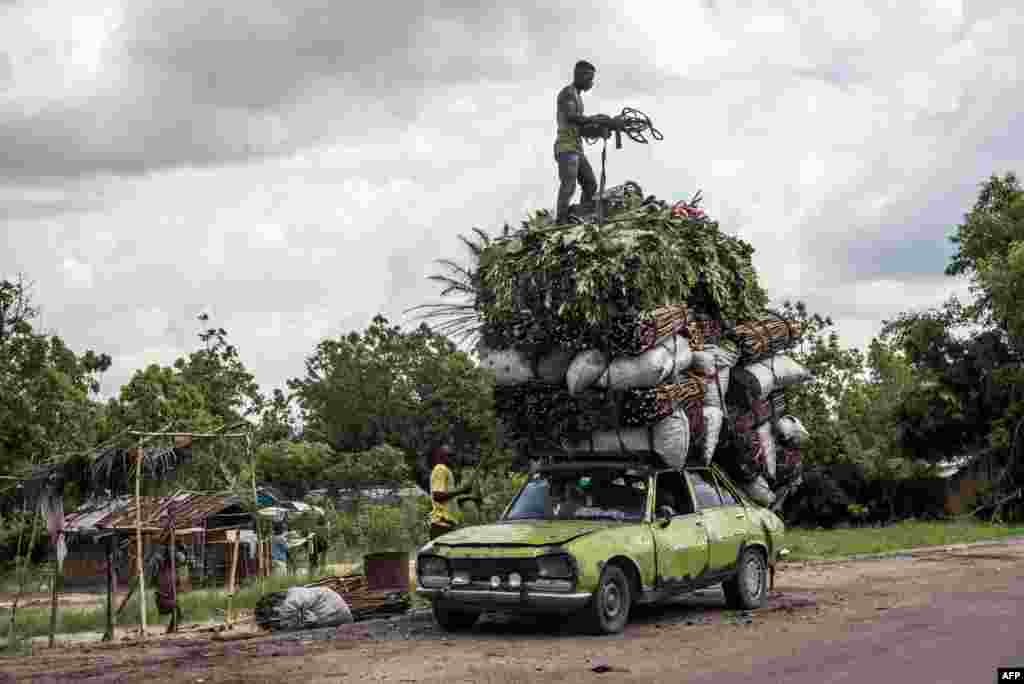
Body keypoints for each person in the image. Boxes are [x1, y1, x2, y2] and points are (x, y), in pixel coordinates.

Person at [554, 60, 600, 225]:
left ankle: (581, 215)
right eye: (589, 78)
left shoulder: (578, 97)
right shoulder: (568, 93)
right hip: (566, 147)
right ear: (579, 75)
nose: (591, 83)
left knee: (590, 184)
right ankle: (561, 220)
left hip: (576, 147)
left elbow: (579, 126)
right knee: (569, 184)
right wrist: (594, 119)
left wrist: (599, 130)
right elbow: (572, 117)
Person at [428, 445, 479, 540]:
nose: (452, 458)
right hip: (441, 526)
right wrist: (461, 491)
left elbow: (449, 498)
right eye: (449, 455)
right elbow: (437, 496)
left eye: (452, 455)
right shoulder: (440, 469)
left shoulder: (447, 471)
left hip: (447, 525)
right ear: (440, 456)